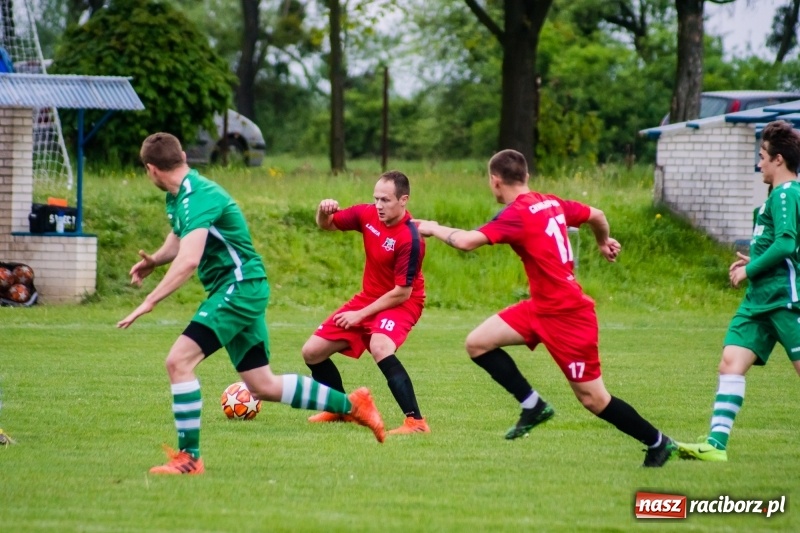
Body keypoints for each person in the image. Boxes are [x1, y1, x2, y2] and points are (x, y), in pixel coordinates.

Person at [118, 133, 385, 475]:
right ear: (182, 155)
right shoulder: (180, 196)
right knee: (263, 385)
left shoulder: (198, 195)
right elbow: (180, 236)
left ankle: (189, 458)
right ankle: (353, 404)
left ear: (150, 169)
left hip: (238, 287)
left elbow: (188, 259)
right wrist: (155, 260)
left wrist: (150, 301)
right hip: (241, 288)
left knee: (178, 361)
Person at [414, 149, 676, 467]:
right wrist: (602, 241)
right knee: (478, 343)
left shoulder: (516, 214)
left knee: (593, 399)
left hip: (569, 316)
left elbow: (467, 242)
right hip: (541, 308)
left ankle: (658, 442)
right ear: (525, 176)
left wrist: (432, 227)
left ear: (495, 182)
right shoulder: (551, 202)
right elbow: (597, 215)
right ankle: (533, 405)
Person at [677, 120, 800, 462]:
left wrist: (749, 269)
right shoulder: (775, 196)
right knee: (730, 363)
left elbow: (787, 243)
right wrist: (756, 258)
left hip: (785, 300)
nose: (759, 163)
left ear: (778, 160)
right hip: (759, 302)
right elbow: (777, 244)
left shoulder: (789, 193)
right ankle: (716, 445)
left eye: (762, 156)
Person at [301, 171, 430, 435]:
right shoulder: (367, 214)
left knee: (380, 345)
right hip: (369, 297)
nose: (379, 205)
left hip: (402, 302)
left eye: (386, 200)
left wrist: (360, 315)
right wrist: (323, 211)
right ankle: (340, 409)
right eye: (376, 199)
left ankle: (416, 422)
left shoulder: (411, 238)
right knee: (312, 352)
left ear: (403, 200)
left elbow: (402, 293)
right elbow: (327, 225)